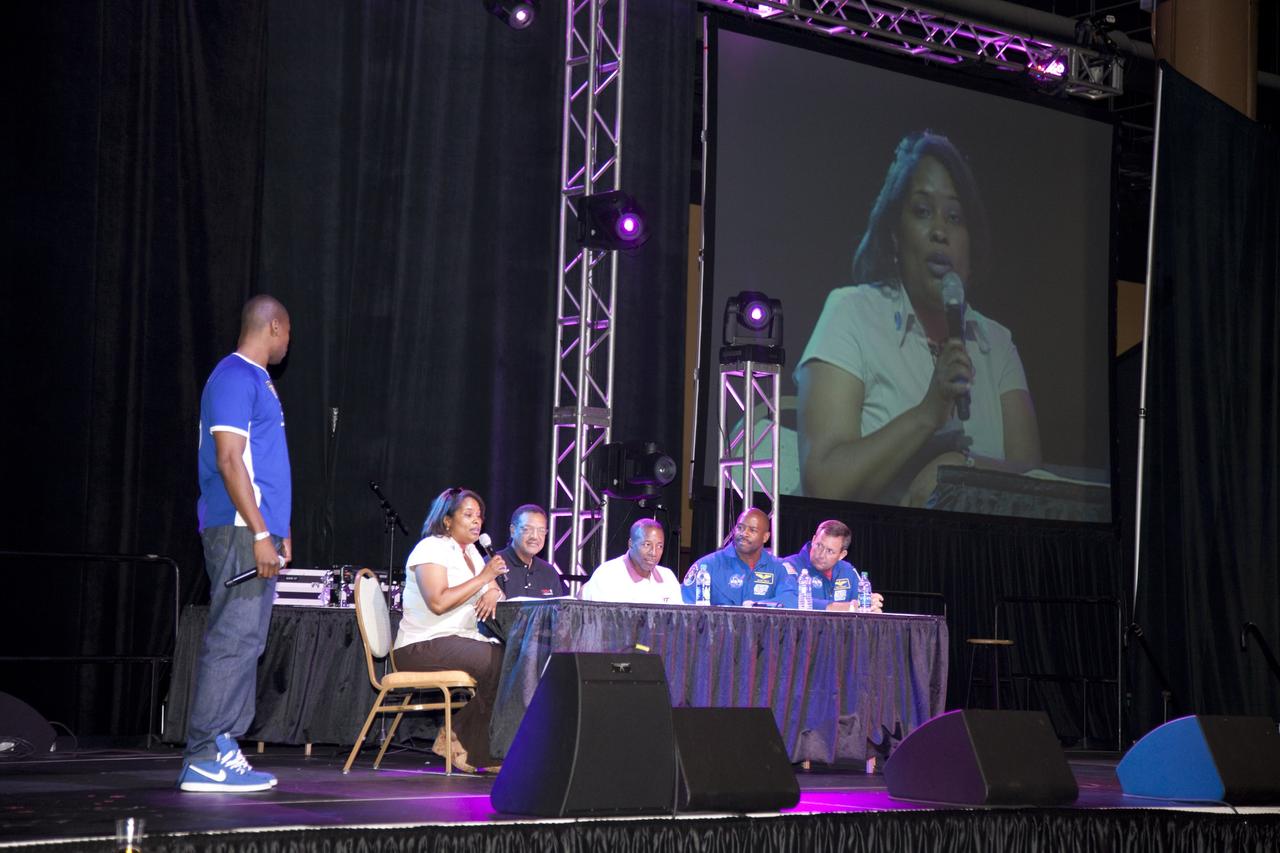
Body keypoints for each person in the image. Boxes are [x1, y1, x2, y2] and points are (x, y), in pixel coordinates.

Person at [796, 130, 1041, 507]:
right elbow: (823, 481)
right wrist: (928, 413)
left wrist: (956, 471)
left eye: (955, 217)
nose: (940, 231)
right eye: (923, 212)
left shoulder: (996, 343)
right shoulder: (851, 313)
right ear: (895, 233)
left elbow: (1034, 487)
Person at [179, 295, 292, 793]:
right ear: (274, 326)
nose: (288, 342)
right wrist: (262, 531)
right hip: (239, 529)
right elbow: (229, 460)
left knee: (248, 640)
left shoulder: (258, 381)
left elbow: (263, 463)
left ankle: (223, 745)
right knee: (233, 637)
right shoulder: (234, 376)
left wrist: (280, 529)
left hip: (256, 530)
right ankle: (204, 754)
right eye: (287, 333)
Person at [393, 488, 508, 773]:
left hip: (461, 640)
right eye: (468, 515)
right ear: (447, 521)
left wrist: (493, 592)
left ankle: (465, 741)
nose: (476, 522)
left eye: (479, 516)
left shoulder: (472, 553)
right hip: (421, 645)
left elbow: (493, 590)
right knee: (500, 661)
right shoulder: (431, 548)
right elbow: (438, 602)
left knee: (514, 658)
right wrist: (484, 578)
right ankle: (469, 743)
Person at [682, 508, 796, 607]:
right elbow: (686, 607)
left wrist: (755, 607)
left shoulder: (778, 568)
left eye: (752, 530)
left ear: (765, 537)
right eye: (740, 527)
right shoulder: (707, 566)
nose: (744, 533)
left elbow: (792, 600)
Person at [780, 520, 884, 612]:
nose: (821, 555)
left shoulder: (848, 571)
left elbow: (861, 605)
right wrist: (845, 607)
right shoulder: (787, 566)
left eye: (830, 551)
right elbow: (786, 600)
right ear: (813, 539)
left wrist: (871, 609)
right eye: (819, 545)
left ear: (842, 555)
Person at [580, 519, 681, 604]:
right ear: (631, 544)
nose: (654, 553)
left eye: (660, 546)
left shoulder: (668, 577)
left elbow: (679, 622)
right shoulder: (608, 575)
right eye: (647, 544)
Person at [494, 504, 567, 598]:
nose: (535, 536)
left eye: (541, 530)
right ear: (512, 531)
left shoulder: (549, 572)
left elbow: (558, 611)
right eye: (527, 529)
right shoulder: (493, 564)